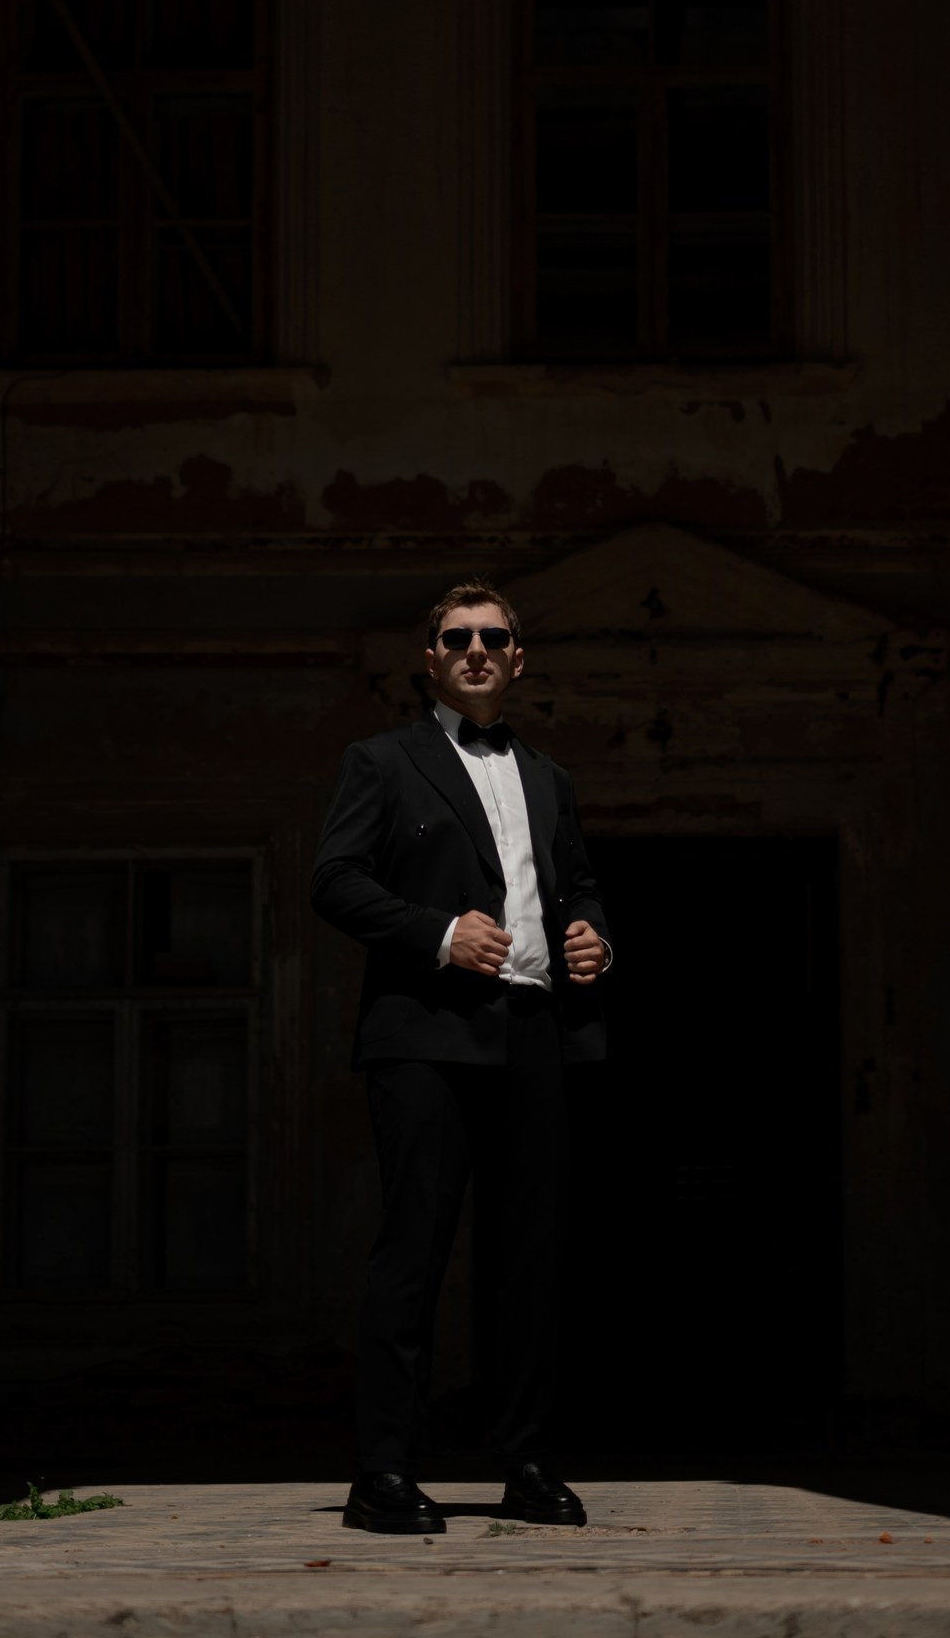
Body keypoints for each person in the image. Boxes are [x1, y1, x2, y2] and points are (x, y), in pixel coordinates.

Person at [311, 581, 611, 1536]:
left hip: (534, 1032)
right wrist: (439, 934)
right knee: (414, 1248)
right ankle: (383, 1472)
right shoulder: (382, 761)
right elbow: (335, 880)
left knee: (532, 1255)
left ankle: (526, 1462)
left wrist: (592, 935)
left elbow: (577, 886)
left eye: (492, 637)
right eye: (455, 638)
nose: (474, 649)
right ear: (430, 660)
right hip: (426, 1036)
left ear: (517, 658)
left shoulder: (549, 777)